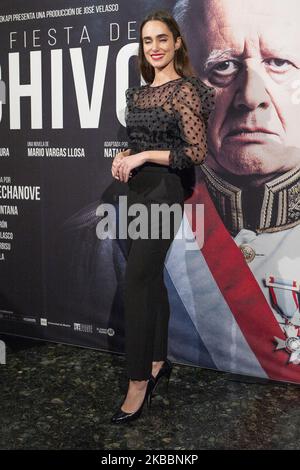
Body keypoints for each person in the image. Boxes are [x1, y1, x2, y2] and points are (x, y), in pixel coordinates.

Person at [110, 9, 215, 424]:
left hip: (165, 192)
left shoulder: (187, 91)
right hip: (137, 191)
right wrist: (122, 158)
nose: (154, 47)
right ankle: (156, 360)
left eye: (161, 39)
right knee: (149, 279)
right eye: (147, 41)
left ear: (176, 43)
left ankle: (137, 383)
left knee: (136, 280)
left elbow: (196, 152)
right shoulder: (136, 95)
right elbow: (138, 143)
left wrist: (144, 155)